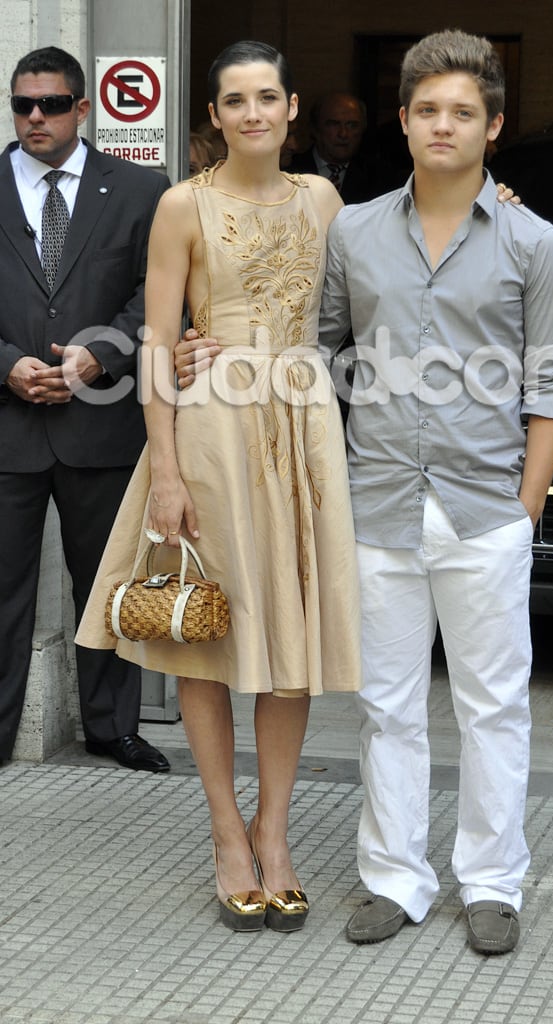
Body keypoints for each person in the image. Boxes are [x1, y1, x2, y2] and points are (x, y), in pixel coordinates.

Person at [76, 40, 362, 933]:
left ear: (290, 106)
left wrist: (490, 198)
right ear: (214, 114)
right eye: (234, 99)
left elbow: (384, 263)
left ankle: (274, 833)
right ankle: (224, 833)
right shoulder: (180, 206)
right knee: (205, 630)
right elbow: (158, 346)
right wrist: (164, 472)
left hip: (303, 424)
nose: (251, 113)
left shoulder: (323, 198)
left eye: (267, 97)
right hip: (212, 431)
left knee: (292, 636)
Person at [318, 28, 553, 954]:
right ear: (402, 119)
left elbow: (551, 384)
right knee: (385, 703)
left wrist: (527, 505)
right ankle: (394, 878)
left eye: (461, 111)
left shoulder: (532, 243)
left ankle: (490, 883)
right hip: (379, 502)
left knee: (491, 705)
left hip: (483, 510)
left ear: (492, 126)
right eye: (426, 109)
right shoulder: (350, 231)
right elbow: (319, 354)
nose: (443, 123)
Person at [0, 46, 170, 773]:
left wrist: (101, 353)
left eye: (51, 104)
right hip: (7, 427)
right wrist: (7, 363)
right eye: (22, 105)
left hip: (102, 423)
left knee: (108, 587)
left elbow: (160, 296)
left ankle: (111, 727)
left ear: (82, 107)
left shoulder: (140, 189)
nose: (35, 117)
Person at [291, 91, 394, 202]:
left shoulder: (381, 176)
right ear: (315, 128)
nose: (343, 134)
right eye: (334, 124)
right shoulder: (289, 171)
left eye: (352, 125)